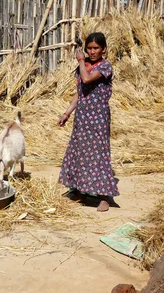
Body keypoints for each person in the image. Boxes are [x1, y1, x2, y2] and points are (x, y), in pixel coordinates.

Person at [57, 32, 119, 212]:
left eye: (96, 48)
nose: (92, 52)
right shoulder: (84, 66)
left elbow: (87, 78)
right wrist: (67, 112)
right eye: (89, 48)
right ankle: (80, 191)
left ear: (103, 49)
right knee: (79, 152)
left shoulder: (105, 66)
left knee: (98, 154)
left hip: (98, 117)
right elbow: (80, 90)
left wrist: (81, 61)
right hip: (82, 117)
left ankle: (104, 197)